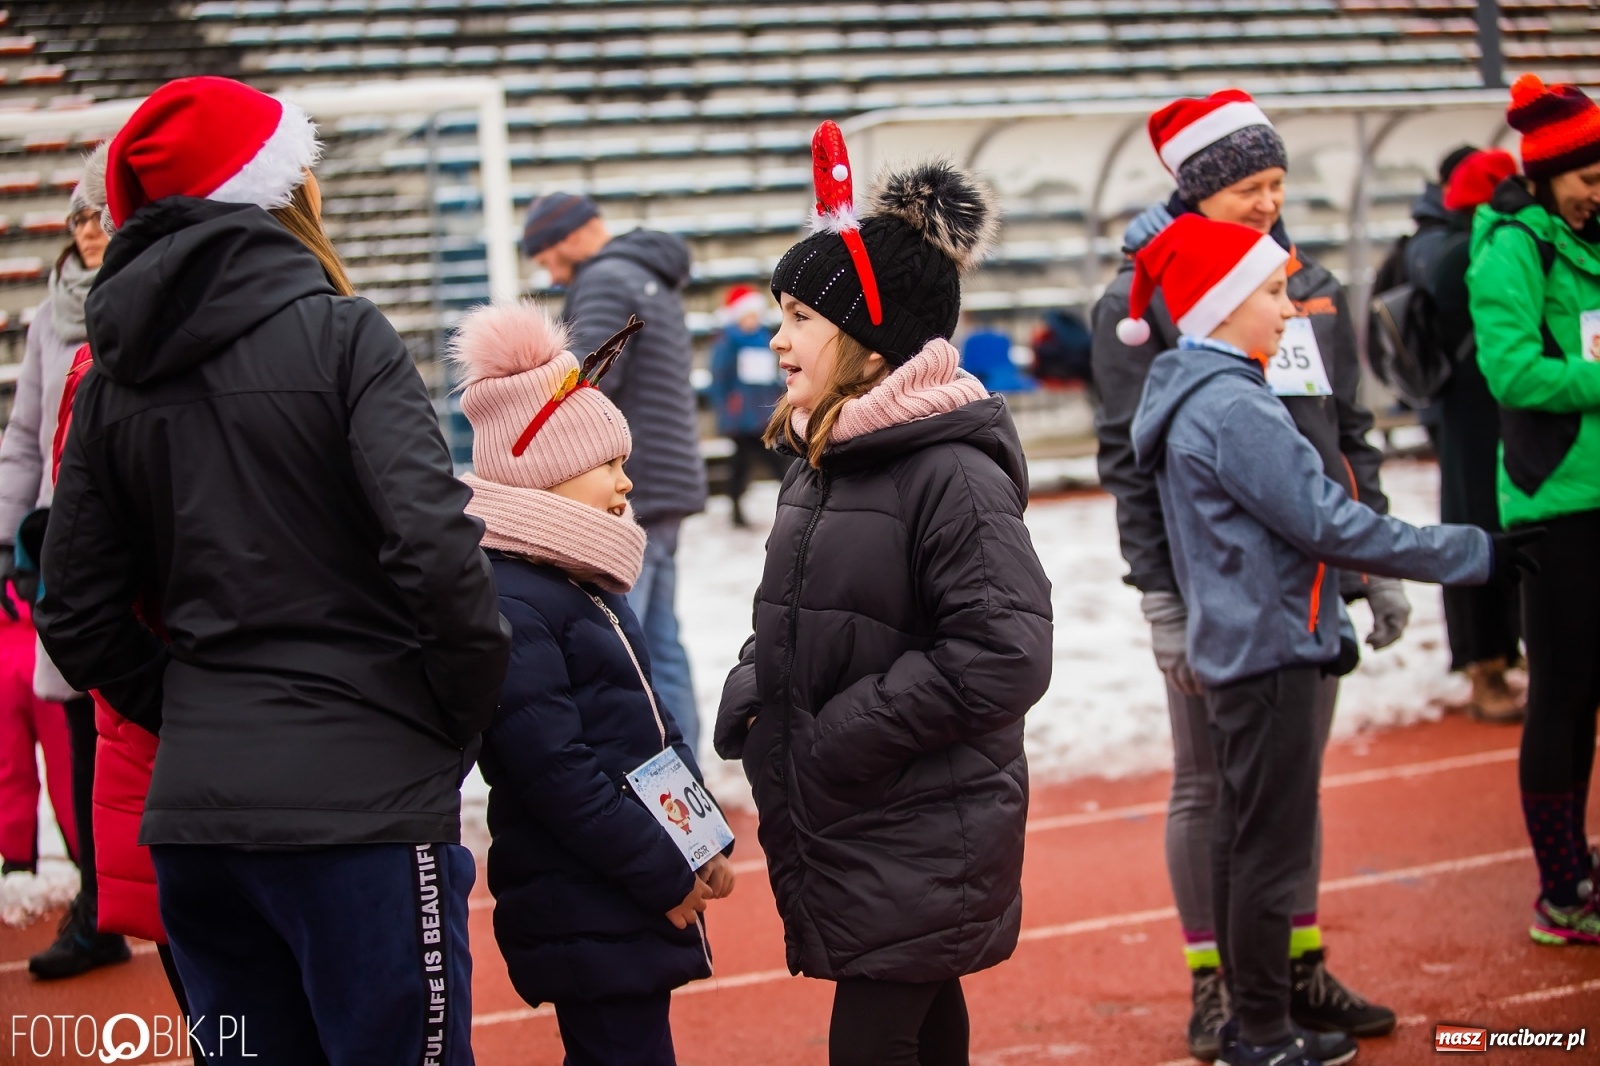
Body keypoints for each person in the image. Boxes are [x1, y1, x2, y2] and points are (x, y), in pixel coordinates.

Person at [35, 76, 509, 1064]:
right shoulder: (344, 335)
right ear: (277, 189)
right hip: (362, 807)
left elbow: (72, 611)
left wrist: (194, 707)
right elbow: (437, 553)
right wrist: (447, 720)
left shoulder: (115, 378)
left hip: (200, 822)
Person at [1125, 212, 1528, 1066]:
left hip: (1244, 645)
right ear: (1223, 303)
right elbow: (1330, 524)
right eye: (1273, 291)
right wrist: (1473, 552)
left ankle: (1252, 1021)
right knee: (1268, 854)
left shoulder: (1198, 393)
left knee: (1244, 843)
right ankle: (1265, 1031)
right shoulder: (1235, 407)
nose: (1289, 307)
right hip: (1270, 648)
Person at [714, 123, 1054, 1066]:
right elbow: (803, 612)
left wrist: (841, 732)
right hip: (866, 814)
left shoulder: (950, 473)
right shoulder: (822, 455)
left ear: (872, 344)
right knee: (920, 1014)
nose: (778, 339)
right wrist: (759, 689)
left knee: (875, 1033)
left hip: (916, 814)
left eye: (801, 317)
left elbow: (1004, 651)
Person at [1091, 88, 1399, 1059]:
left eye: (1277, 182)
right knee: (1208, 786)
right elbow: (1127, 462)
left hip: (1309, 578)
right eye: (1247, 187)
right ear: (1195, 188)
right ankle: (1217, 983)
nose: (1269, 202)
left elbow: (1347, 430)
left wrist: (1372, 562)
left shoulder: (1306, 285)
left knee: (1290, 784)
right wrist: (1161, 597)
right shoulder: (1136, 304)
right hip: (1211, 587)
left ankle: (1291, 967)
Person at [449, 299, 735, 1066]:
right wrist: (662, 869)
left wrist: (698, 835)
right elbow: (559, 776)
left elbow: (647, 723)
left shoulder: (577, 582)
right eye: (608, 465)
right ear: (544, 473)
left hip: (617, 886)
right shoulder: (514, 600)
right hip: (587, 893)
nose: (626, 482)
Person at [1467, 73, 1600, 946]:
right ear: (1547, 175)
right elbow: (1512, 372)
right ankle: (1561, 886)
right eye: (1586, 178)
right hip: (1556, 502)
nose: (1596, 192)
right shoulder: (1512, 247)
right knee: (1565, 693)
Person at [0, 159, 129, 979]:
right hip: (69, 547)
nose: (87, 229)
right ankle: (98, 907)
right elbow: (23, 437)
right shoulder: (49, 320)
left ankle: (178, 899)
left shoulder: (152, 296)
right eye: (77, 217)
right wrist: (6, 537)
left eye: (100, 215)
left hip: (141, 542)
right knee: (84, 734)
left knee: (148, 724)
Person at [521, 192, 708, 757]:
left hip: (627, 484)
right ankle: (683, 770)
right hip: (667, 478)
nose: (552, 275)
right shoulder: (646, 275)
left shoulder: (604, 280)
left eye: (548, 257)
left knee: (623, 646)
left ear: (572, 236)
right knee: (660, 640)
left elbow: (581, 389)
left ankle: (649, 778)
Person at [1404, 146, 1526, 723]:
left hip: (1502, 411)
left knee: (1518, 531)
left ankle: (1510, 652)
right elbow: (1448, 285)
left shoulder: (1451, 243)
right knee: (1477, 531)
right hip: (1468, 415)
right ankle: (1485, 664)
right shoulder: (1444, 247)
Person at [708, 285, 788, 527]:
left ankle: (792, 502)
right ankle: (736, 507)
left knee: (777, 461)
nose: (752, 320)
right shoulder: (727, 342)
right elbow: (720, 381)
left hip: (764, 414)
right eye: (748, 315)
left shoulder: (766, 338)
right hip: (741, 417)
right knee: (742, 465)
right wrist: (726, 413)